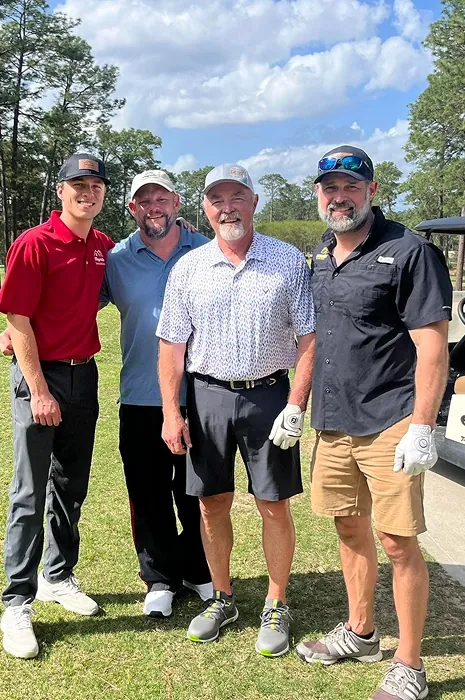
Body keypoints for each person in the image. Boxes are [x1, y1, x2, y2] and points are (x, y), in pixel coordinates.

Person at [295, 146, 452, 700]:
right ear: (320, 194)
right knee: (347, 524)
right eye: (329, 188)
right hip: (334, 419)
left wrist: (422, 426)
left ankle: (409, 664)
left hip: (391, 418)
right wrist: (298, 404)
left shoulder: (410, 253)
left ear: (372, 191)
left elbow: (432, 348)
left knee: (397, 540)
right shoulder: (321, 253)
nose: (339, 197)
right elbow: (319, 337)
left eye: (350, 187)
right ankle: (361, 631)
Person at [156, 163, 315, 657]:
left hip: (269, 395)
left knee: (273, 503)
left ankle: (276, 600)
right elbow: (171, 346)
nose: (228, 207)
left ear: (254, 202)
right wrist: (170, 412)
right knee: (211, 502)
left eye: (237, 197)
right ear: (205, 207)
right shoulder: (188, 267)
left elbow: (309, 338)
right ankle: (223, 596)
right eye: (217, 199)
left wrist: (294, 405)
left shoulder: (287, 260)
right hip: (208, 397)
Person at [0, 153, 114, 659]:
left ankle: (57, 576)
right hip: (40, 377)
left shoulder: (100, 246)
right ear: (60, 192)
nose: (87, 194)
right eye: (78, 185)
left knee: (72, 483)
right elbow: (17, 319)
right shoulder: (34, 242)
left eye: (95, 186)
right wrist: (39, 390)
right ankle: (16, 602)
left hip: (82, 374)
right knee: (29, 488)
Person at [100, 170, 212, 618]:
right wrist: (16, 327)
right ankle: (160, 578)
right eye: (143, 201)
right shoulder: (116, 259)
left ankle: (197, 569)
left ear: (176, 202)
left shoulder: (207, 250)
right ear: (132, 209)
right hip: (141, 395)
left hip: (202, 394)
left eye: (161, 198)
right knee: (146, 493)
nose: (153, 208)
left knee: (197, 491)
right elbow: (72, 303)